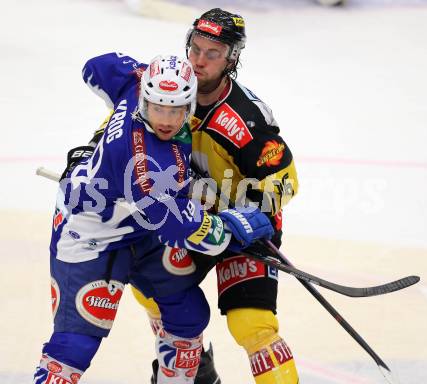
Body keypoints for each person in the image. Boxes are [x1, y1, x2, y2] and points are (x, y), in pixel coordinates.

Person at [32, 52, 275, 384]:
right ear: (146, 98)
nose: (165, 118)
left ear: (189, 105)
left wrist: (96, 146)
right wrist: (234, 227)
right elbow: (189, 231)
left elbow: (96, 66)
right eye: (158, 107)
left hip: (141, 226)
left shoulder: (138, 81)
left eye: (175, 109)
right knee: (76, 345)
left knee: (188, 315)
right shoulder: (150, 167)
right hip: (91, 236)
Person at [132, 8, 300, 384]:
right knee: (150, 289)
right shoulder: (169, 87)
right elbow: (123, 121)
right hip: (195, 221)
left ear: (232, 59)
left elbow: (285, 182)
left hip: (247, 232)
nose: (199, 60)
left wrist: (249, 217)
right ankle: (197, 368)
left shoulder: (245, 119)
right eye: (196, 48)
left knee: (252, 325)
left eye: (213, 53)